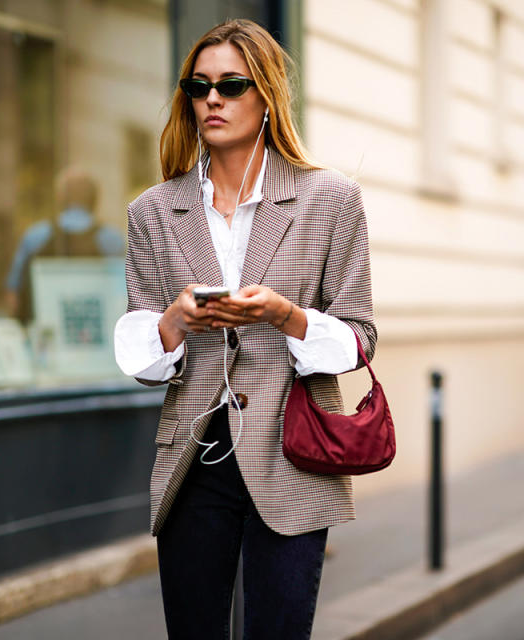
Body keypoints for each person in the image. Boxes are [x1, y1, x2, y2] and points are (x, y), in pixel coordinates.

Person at [113, 19, 376, 639]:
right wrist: (175, 319)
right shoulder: (154, 211)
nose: (212, 99)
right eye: (198, 86)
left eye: (231, 85)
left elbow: (360, 335)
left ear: (266, 98)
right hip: (193, 461)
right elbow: (140, 351)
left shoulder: (330, 200)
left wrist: (284, 315)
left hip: (294, 456)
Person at [5, 166, 125, 322]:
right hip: (96, 334)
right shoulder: (112, 241)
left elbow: (13, 294)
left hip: (44, 332)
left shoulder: (35, 236)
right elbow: (124, 297)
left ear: (60, 198)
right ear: (95, 199)